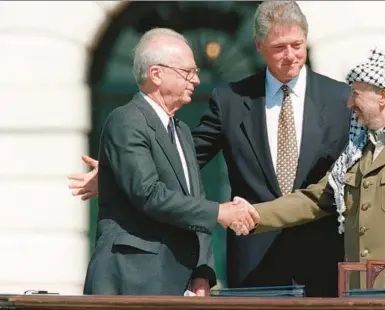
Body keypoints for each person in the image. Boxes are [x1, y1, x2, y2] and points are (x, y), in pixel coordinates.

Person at [69, 1, 385, 297]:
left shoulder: (338, 98)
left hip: (328, 262)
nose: (291, 56)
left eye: (297, 45)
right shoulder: (231, 99)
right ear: (260, 48)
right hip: (255, 265)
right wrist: (116, 173)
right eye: (279, 48)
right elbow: (182, 160)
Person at [233, 48, 385, 298]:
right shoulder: (357, 152)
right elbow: (315, 199)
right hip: (359, 294)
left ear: (383, 96)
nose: (349, 104)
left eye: (356, 95)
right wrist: (253, 215)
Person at [83, 28, 258, 296]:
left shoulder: (182, 131)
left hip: (178, 285)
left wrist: (203, 271)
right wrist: (220, 212)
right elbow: (149, 194)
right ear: (156, 74)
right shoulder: (126, 120)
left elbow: (194, 198)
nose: (197, 80)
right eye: (188, 72)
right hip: (131, 281)